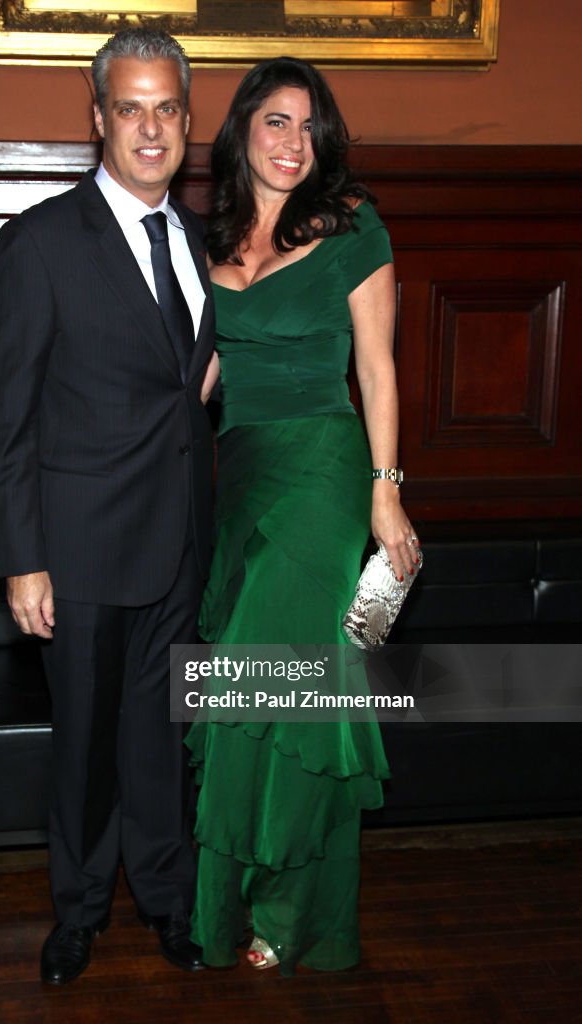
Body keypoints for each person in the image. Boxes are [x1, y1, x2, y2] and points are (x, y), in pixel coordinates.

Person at [0, 27, 217, 985]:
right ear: (98, 120)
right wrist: (20, 558)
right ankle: (76, 915)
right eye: (130, 108)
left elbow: (186, 378)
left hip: (181, 540)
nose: (149, 127)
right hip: (76, 550)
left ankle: (166, 902)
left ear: (188, 121)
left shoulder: (202, 240)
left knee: (163, 737)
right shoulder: (38, 241)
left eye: (166, 108)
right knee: (82, 747)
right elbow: (7, 423)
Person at [185, 57, 420, 975]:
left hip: (323, 473)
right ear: (242, 130)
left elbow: (376, 368)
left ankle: (285, 906)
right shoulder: (208, 240)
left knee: (286, 687)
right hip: (237, 479)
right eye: (275, 122)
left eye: (308, 126)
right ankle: (230, 896)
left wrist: (386, 488)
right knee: (247, 686)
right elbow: (198, 382)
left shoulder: (354, 226)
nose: (294, 142)